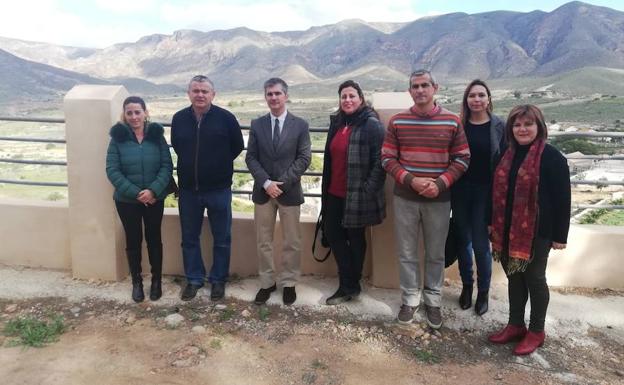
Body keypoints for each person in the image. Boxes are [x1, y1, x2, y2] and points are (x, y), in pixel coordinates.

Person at [381, 69, 470, 329]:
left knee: (435, 254)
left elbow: (463, 157)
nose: (420, 90)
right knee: (406, 252)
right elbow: (387, 157)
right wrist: (412, 180)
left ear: (435, 88)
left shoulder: (452, 121)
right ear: (410, 91)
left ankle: (433, 300)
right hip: (405, 198)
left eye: (424, 85)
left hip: (439, 199)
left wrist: (440, 183)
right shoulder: (397, 121)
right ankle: (410, 299)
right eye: (415, 86)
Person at [488, 104, 570, 355]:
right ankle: (515, 325)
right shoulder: (504, 153)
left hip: (538, 231)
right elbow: (493, 193)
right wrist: (490, 222)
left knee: (534, 278)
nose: (522, 129)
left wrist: (559, 236)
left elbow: (562, 198)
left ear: (539, 126)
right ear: (511, 128)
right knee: (514, 276)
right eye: (517, 124)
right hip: (505, 230)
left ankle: (536, 330)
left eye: (528, 124)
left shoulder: (552, 157)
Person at [171, 75, 244, 301]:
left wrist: (216, 167)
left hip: (219, 189)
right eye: (196, 90)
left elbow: (237, 146)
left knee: (222, 238)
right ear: (189, 93)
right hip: (188, 191)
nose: (200, 94)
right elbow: (177, 145)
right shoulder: (179, 118)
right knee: (189, 238)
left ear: (213, 94)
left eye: (204, 91)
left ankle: (218, 280)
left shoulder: (226, 118)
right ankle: (194, 279)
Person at [245, 78, 311, 306]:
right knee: (264, 240)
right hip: (263, 192)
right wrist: (266, 183)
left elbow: (304, 158)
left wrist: (280, 183)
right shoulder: (257, 124)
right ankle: (267, 282)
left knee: (292, 240)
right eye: (269, 94)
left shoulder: (300, 125)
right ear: (265, 97)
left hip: (289, 191)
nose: (273, 98)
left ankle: (289, 283)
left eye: (277, 93)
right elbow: (250, 157)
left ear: (286, 96)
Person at [321, 80, 386, 305]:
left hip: (358, 195)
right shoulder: (338, 122)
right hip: (334, 192)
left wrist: (368, 189)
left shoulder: (371, 124)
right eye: (343, 96)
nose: (347, 100)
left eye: (352, 96)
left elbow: (381, 160)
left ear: (361, 98)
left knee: (355, 238)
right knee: (332, 233)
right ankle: (349, 282)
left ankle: (349, 285)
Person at [106, 96, 173, 302]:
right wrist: (137, 193)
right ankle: (136, 282)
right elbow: (112, 170)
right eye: (130, 112)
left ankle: (156, 281)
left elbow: (167, 166)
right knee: (133, 240)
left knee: (154, 240)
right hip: (127, 201)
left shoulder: (156, 136)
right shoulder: (117, 139)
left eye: (137, 112)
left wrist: (152, 191)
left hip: (155, 198)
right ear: (124, 115)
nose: (134, 116)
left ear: (145, 113)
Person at [452, 79, 505, 315]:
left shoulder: (499, 126)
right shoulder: (458, 125)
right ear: (466, 100)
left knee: (482, 244)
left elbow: (506, 160)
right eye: (472, 95)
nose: (476, 99)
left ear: (488, 99)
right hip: (461, 189)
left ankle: (483, 293)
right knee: (463, 241)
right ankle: (467, 287)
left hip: (486, 191)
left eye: (481, 95)